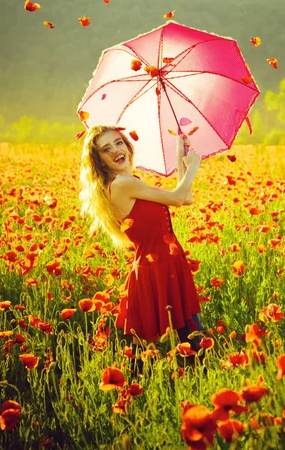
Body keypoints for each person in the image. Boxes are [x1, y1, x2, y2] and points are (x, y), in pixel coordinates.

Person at [79, 125, 205, 360]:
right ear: (100, 161)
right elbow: (178, 198)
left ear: (127, 145)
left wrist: (180, 155)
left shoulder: (129, 182)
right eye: (107, 149)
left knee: (186, 341)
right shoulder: (122, 185)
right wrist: (194, 167)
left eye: (118, 142)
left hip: (165, 265)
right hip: (156, 270)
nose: (116, 150)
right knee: (189, 344)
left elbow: (183, 197)